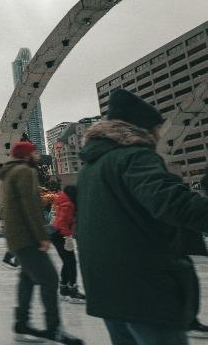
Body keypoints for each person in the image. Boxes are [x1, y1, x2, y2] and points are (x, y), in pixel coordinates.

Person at [76, 89, 208, 344]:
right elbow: (171, 200)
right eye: (157, 128)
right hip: (143, 284)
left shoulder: (91, 168)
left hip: (104, 283)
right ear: (143, 128)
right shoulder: (134, 156)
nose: (160, 135)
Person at [1, 140, 83, 344]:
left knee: (27, 279)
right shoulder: (24, 172)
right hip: (27, 237)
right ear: (27, 155)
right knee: (49, 279)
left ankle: (22, 323)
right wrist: (41, 236)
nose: (38, 155)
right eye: (34, 152)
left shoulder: (10, 172)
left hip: (16, 237)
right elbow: (30, 207)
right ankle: (53, 328)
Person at [49, 185, 84, 304]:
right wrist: (68, 237)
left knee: (67, 262)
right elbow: (62, 222)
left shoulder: (62, 201)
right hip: (60, 235)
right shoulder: (68, 204)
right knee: (71, 263)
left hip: (56, 234)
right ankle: (73, 292)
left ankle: (64, 289)